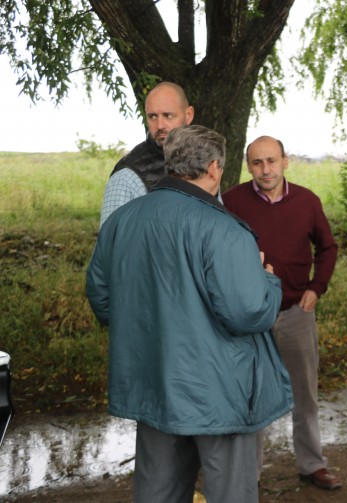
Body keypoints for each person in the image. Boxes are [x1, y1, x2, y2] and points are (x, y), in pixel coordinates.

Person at [85, 125, 292, 503]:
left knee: (157, 491)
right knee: (230, 492)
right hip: (218, 393)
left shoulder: (121, 221)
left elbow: (100, 296)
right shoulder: (223, 229)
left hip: (152, 383)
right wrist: (268, 282)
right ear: (214, 168)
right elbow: (249, 313)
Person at [222, 136, 341, 490]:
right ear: (249, 166)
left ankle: (311, 464)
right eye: (257, 163)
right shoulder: (231, 202)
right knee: (250, 396)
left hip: (294, 312)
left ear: (285, 161)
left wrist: (316, 287)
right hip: (250, 318)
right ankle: (249, 475)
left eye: (271, 161)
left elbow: (328, 247)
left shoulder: (306, 201)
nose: (265, 170)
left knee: (305, 394)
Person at [99, 81, 195, 226]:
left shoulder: (201, 162)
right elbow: (111, 243)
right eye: (153, 116)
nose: (160, 125)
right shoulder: (127, 177)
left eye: (168, 115)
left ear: (188, 115)